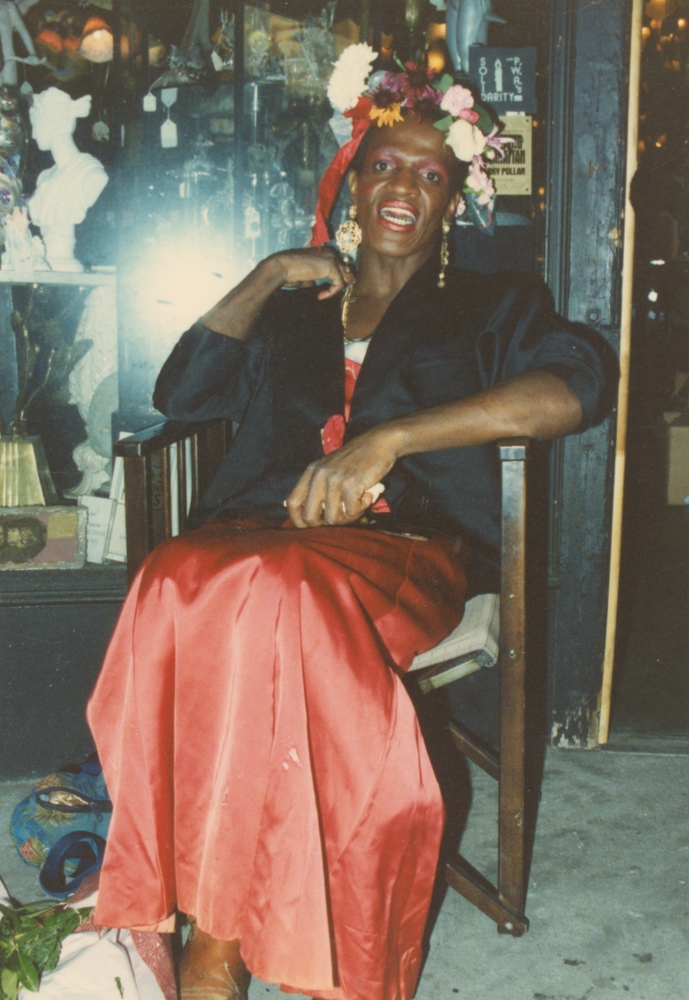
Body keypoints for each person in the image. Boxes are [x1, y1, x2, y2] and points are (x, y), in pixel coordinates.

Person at [87, 47, 613, 1000]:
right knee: (172, 576)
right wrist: (267, 274)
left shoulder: (490, 304)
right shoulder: (293, 310)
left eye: (430, 174)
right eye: (384, 166)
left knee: (273, 595)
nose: (403, 186)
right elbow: (183, 395)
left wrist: (389, 440)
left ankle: (217, 945)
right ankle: (188, 900)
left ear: (453, 201)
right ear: (350, 183)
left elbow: (574, 390)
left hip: (404, 545)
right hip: (260, 538)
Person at [28, 87, 108, 271]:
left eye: (35, 125)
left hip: (65, 264)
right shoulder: (44, 177)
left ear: (52, 123)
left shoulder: (90, 174)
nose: (33, 135)